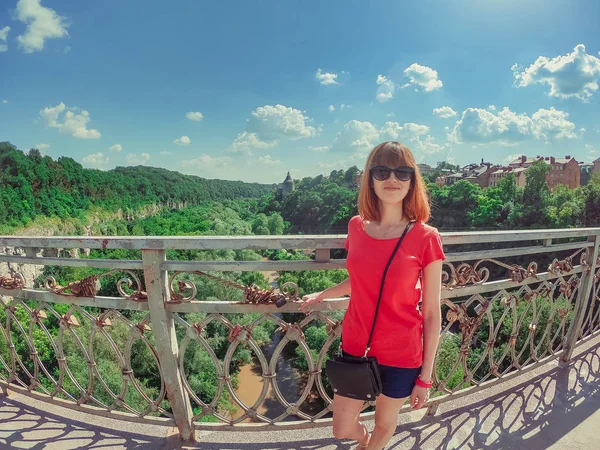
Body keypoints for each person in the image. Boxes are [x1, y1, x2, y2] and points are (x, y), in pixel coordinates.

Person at [299, 141, 445, 450]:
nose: (392, 179)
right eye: (382, 171)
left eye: (402, 172)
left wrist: (426, 378)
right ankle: (361, 443)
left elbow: (432, 313)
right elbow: (361, 280)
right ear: (370, 178)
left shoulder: (426, 237)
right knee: (341, 428)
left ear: (412, 180)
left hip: (402, 353)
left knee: (383, 424)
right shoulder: (356, 226)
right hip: (357, 345)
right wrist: (322, 294)